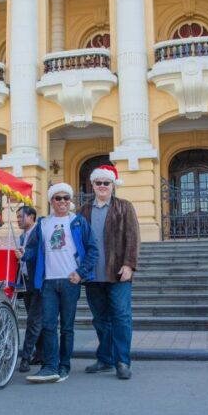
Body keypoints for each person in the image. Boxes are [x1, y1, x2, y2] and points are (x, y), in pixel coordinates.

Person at [24, 183, 98, 384]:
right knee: (48, 326)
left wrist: (81, 273)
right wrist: (23, 254)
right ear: (51, 201)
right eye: (58, 198)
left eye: (66, 197)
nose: (63, 201)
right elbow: (32, 249)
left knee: (66, 327)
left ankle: (64, 365)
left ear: (70, 200)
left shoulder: (78, 222)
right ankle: (50, 366)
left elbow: (93, 250)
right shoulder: (43, 224)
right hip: (48, 282)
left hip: (69, 281)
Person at [78, 164, 140, 380]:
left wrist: (129, 265)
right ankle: (105, 359)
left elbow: (132, 237)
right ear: (92, 185)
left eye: (106, 183)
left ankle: (122, 361)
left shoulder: (124, 207)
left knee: (121, 317)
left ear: (113, 185)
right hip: (93, 275)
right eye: (98, 183)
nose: (102, 186)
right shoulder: (83, 210)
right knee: (100, 319)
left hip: (118, 273)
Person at [15, 205, 43, 373]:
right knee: (36, 321)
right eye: (17, 217)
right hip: (26, 283)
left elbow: (34, 252)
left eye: (21, 216)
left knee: (33, 321)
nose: (18, 220)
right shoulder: (21, 236)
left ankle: (25, 358)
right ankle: (41, 354)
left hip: (39, 282)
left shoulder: (39, 232)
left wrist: (24, 254)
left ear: (31, 216)